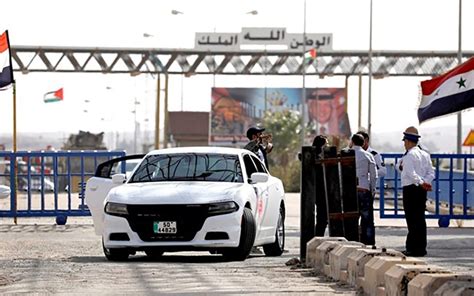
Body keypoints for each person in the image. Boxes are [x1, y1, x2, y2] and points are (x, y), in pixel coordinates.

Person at [397, 126, 434, 257]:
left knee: (412, 219)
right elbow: (431, 172)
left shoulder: (409, 155)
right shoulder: (425, 154)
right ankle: (421, 248)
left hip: (411, 189)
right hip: (421, 190)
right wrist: (425, 182)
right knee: (420, 219)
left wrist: (420, 182)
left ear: (408, 141)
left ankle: (412, 248)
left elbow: (410, 173)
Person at [350, 133, 377, 245]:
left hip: (350, 190)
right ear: (363, 143)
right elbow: (373, 175)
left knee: (351, 218)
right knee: (367, 219)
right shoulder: (368, 155)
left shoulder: (346, 154)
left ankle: (352, 240)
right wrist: (372, 189)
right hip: (364, 189)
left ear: (352, 142)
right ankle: (368, 242)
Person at [312, 135, 329, 236]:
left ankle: (318, 235)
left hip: (320, 190)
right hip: (320, 190)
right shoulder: (317, 157)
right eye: (326, 144)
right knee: (322, 217)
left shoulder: (318, 156)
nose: (327, 146)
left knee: (322, 217)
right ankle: (318, 236)